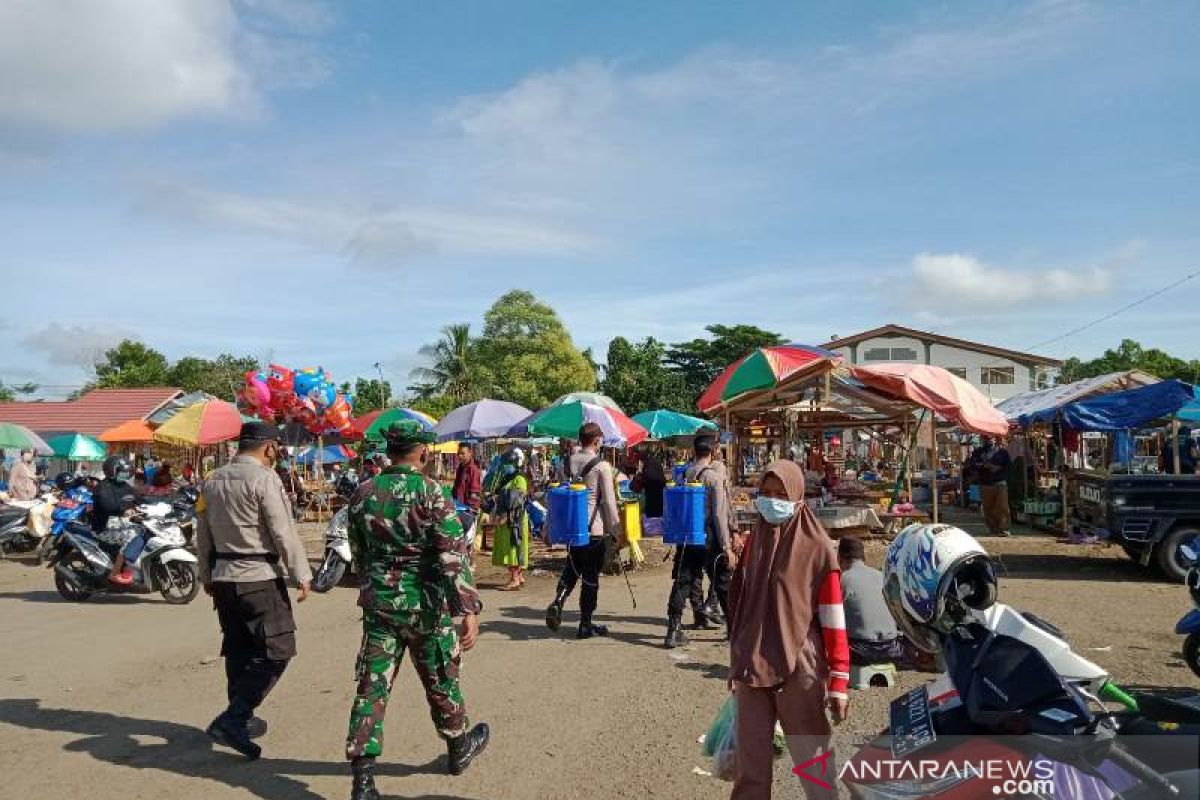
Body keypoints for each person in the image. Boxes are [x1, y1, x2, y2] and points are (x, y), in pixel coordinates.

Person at [344, 421, 488, 800]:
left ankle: (362, 779)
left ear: (390, 450)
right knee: (440, 678)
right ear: (423, 452)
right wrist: (467, 609)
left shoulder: (361, 493)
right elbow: (452, 556)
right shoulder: (432, 493)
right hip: (425, 607)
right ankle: (458, 747)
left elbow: (358, 556)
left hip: (380, 607)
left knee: (372, 687)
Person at [728, 460, 849, 800]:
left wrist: (839, 679)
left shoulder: (818, 549)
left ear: (797, 497)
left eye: (781, 494)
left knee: (813, 760)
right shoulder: (754, 543)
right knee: (750, 765)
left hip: (800, 664)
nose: (771, 501)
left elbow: (833, 617)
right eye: (765, 494)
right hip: (752, 665)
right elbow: (743, 607)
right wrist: (735, 661)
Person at [195, 422, 312, 761]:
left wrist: (206, 573)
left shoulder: (212, 479)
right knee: (278, 649)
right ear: (269, 448)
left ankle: (240, 717)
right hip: (258, 576)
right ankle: (234, 718)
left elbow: (202, 533)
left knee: (239, 648)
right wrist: (301, 573)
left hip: (224, 578)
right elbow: (282, 530)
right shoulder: (264, 479)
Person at [545, 422, 622, 639]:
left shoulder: (566, 462)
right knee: (590, 577)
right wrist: (615, 530)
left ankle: (559, 600)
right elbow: (608, 502)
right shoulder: (602, 466)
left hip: (571, 528)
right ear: (597, 440)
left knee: (572, 566)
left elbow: (556, 494)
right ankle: (585, 623)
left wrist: (548, 526)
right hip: (594, 529)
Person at [665, 434, 735, 648]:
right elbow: (718, 515)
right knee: (722, 581)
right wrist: (726, 546)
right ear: (713, 452)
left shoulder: (683, 474)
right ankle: (733, 630)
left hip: (686, 536)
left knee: (683, 581)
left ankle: (673, 629)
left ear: (694, 452)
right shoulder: (713, 477)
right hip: (708, 537)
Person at [92, 455, 141, 585]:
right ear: (112, 471)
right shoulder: (102, 487)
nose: (125, 475)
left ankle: (132, 565)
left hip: (120, 524)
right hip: (104, 527)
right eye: (123, 472)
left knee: (144, 531)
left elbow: (139, 498)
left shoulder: (124, 486)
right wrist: (123, 510)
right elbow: (107, 505)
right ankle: (115, 572)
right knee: (131, 536)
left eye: (127, 472)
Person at [488, 447, 530, 591]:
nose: (506, 466)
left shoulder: (520, 479)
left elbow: (516, 499)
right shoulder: (507, 479)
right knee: (512, 547)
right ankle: (519, 577)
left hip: (514, 520)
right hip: (507, 520)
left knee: (512, 548)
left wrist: (501, 499)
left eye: (509, 463)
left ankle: (514, 580)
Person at [975, 436, 1012, 537]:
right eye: (986, 437)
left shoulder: (1002, 452)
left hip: (1000, 482)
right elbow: (974, 465)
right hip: (985, 483)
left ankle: (1004, 529)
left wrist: (998, 468)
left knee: (1003, 506)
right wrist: (984, 465)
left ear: (995, 439)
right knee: (988, 508)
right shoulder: (979, 452)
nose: (989, 439)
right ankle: (993, 529)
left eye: (990, 437)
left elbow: (1008, 466)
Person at [452, 443, 482, 512]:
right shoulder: (460, 468)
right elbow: (457, 486)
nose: (460, 456)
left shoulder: (473, 469)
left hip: (469, 509)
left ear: (470, 453)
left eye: (463, 453)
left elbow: (474, 493)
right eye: (458, 453)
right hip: (459, 506)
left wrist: (470, 508)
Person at [640, 450, 667, 519]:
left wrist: (642, 483)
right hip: (659, 486)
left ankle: (652, 519)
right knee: (659, 505)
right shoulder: (655, 461)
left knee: (652, 506)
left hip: (651, 487)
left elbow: (647, 476)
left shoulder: (648, 463)